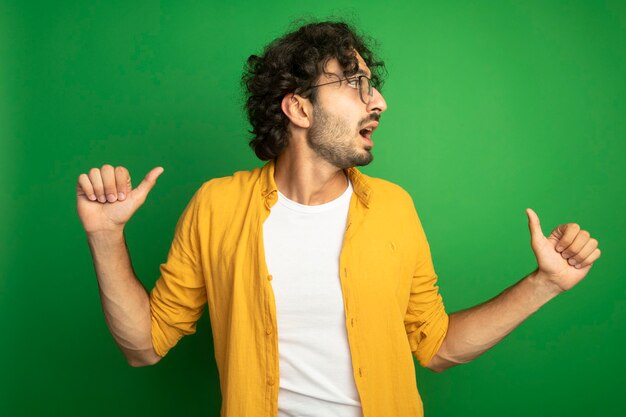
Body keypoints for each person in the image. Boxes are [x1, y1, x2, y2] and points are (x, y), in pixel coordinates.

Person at [75, 21, 601, 417]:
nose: (380, 102)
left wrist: (545, 284)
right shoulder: (216, 206)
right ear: (299, 109)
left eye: (372, 85)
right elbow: (144, 345)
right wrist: (105, 237)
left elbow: (437, 346)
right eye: (356, 84)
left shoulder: (394, 209)